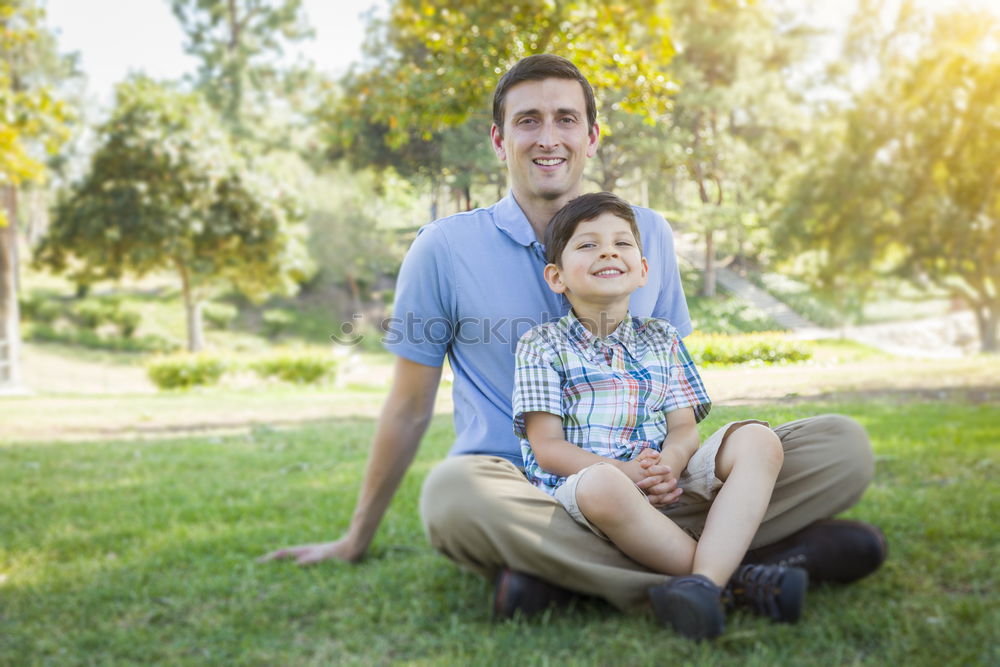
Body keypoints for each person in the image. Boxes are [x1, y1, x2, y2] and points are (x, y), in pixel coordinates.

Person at [261, 54, 886, 619]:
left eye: (566, 118)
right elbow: (408, 404)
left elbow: (675, 389)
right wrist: (355, 537)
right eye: (528, 120)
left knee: (841, 446)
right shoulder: (442, 248)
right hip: (530, 496)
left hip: (658, 486)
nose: (548, 137)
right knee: (451, 494)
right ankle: (740, 572)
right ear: (499, 140)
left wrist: (665, 467)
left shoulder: (649, 234)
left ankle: (565, 582)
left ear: (591, 136)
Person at [513, 191, 807, 639]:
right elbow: (548, 449)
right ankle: (736, 579)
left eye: (622, 243)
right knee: (604, 486)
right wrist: (627, 472)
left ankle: (705, 584)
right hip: (592, 490)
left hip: (666, 481)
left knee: (757, 440)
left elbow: (685, 429)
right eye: (588, 244)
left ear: (644, 270)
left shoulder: (662, 339)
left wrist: (667, 466)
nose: (608, 251)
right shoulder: (542, 344)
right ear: (556, 277)